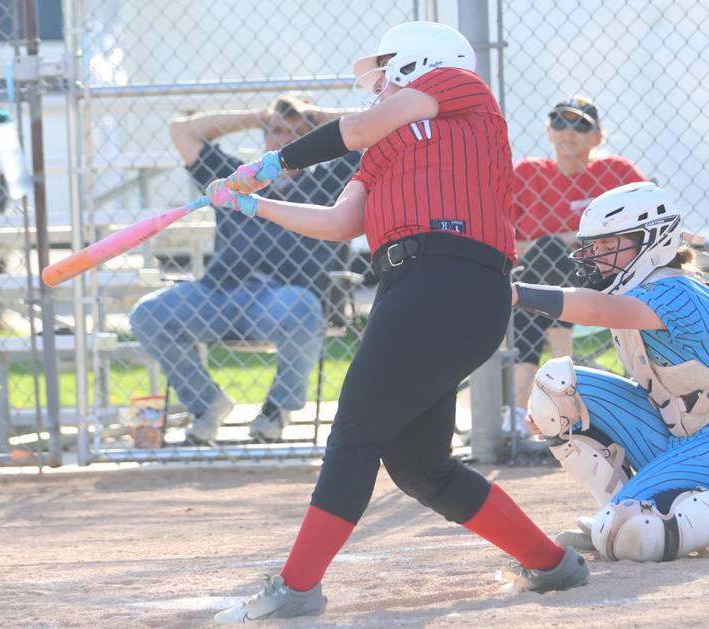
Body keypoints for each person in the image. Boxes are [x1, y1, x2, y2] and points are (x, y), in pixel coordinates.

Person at [201, 21, 589, 624]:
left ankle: (297, 587)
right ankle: (551, 563)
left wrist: (270, 163)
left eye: (387, 72)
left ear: (419, 61)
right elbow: (340, 222)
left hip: (452, 276)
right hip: (410, 289)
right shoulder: (383, 148)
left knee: (355, 432)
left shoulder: (460, 85)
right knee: (420, 466)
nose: (379, 85)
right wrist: (250, 202)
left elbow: (355, 128)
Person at [129, 95, 360, 443]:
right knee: (148, 314)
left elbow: (376, 127)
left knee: (303, 308)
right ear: (265, 137)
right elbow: (181, 132)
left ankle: (275, 411)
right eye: (278, 130)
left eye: (299, 133)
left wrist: (317, 117)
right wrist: (257, 116)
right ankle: (207, 404)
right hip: (220, 292)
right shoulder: (236, 179)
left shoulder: (328, 181)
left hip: (282, 300)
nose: (287, 139)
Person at [514, 181, 709, 562]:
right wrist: (559, 412)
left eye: (609, 245)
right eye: (594, 246)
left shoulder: (676, 292)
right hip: (683, 435)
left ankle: (633, 514)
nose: (597, 256)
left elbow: (596, 309)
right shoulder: (635, 291)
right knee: (557, 387)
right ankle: (623, 509)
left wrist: (517, 293)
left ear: (652, 241)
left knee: (634, 535)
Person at [509, 96, 646, 430]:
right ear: (549, 133)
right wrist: (573, 238)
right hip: (536, 276)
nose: (569, 130)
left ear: (597, 137)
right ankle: (564, 379)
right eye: (559, 122)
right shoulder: (528, 173)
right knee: (547, 254)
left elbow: (641, 231)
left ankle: (517, 409)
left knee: (545, 258)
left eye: (581, 124)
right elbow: (507, 242)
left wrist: (563, 242)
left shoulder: (616, 172)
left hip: (600, 279)